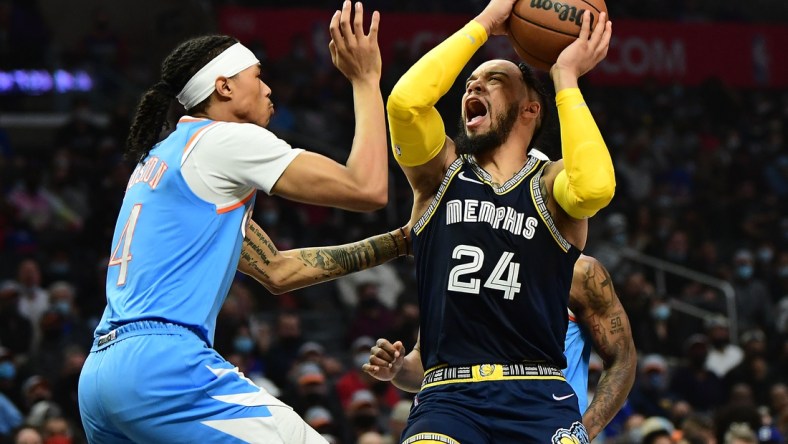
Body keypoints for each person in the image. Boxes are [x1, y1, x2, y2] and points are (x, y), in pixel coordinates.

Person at [77, 2, 392, 443]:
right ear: (223, 86)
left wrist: (401, 241)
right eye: (257, 76)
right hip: (162, 364)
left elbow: (278, 271)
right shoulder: (223, 141)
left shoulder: (164, 158)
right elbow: (367, 188)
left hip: (102, 373)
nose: (268, 89)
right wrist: (365, 79)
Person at [381, 0, 615, 440]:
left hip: (539, 393)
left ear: (531, 110)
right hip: (449, 396)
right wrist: (485, 24)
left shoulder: (550, 184)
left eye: (494, 80)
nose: (474, 85)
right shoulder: (439, 173)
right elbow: (406, 104)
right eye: (470, 81)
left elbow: (595, 188)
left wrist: (565, 78)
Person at [364, 255, 636, 441]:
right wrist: (398, 369)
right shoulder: (452, 263)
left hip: (543, 418)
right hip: (461, 412)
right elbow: (426, 366)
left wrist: (584, 431)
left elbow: (622, 358)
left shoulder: (577, 270)